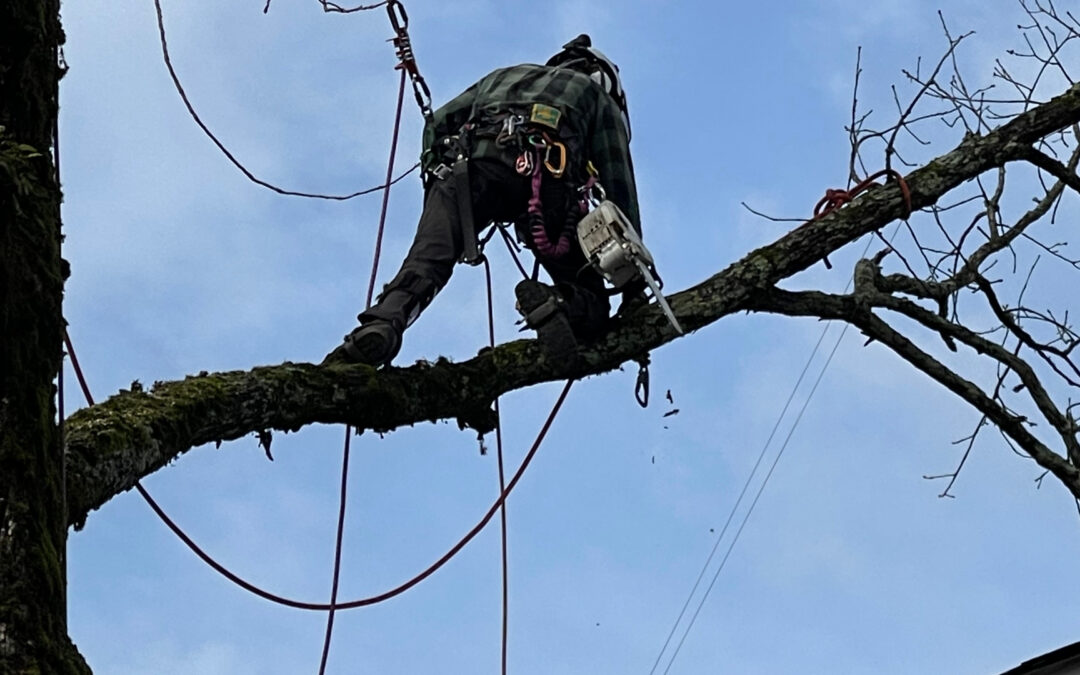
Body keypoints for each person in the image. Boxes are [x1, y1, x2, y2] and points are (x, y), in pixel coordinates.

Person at [326, 34, 642, 367]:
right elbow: (618, 186)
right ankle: (557, 302)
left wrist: (440, 192)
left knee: (426, 261)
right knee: (592, 298)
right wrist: (634, 282)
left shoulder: (504, 75)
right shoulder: (596, 96)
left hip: (464, 173)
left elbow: (438, 124)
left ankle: (381, 326)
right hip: (546, 182)